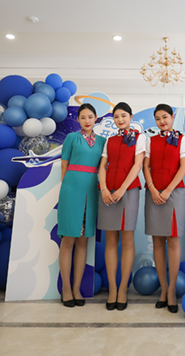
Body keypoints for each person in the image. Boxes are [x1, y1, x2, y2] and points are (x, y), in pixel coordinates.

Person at [142, 104, 185, 314]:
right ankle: (163, 290)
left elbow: (184, 167)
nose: (162, 121)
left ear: (172, 117)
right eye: (158, 118)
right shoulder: (150, 140)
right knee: (157, 242)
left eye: (165, 117)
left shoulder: (182, 139)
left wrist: (168, 190)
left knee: (173, 240)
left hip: (174, 194)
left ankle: (171, 291)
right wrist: (153, 189)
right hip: (153, 193)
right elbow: (145, 166)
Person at [97, 102, 146, 311]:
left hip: (129, 190)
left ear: (131, 117)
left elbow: (138, 165)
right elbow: (102, 166)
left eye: (123, 115)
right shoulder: (110, 140)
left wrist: (122, 189)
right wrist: (104, 189)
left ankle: (123, 289)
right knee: (110, 241)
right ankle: (112, 290)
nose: (120, 119)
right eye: (116, 116)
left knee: (127, 240)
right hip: (108, 191)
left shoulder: (140, 137)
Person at [57, 103, 106, 308]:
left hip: (91, 192)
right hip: (71, 190)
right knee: (69, 238)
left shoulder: (103, 141)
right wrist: (66, 187)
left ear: (96, 119)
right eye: (83, 117)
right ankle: (66, 289)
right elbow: (64, 165)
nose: (87, 120)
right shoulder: (71, 138)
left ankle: (77, 288)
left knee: (84, 241)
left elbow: (103, 168)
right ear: (78, 119)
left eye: (90, 117)